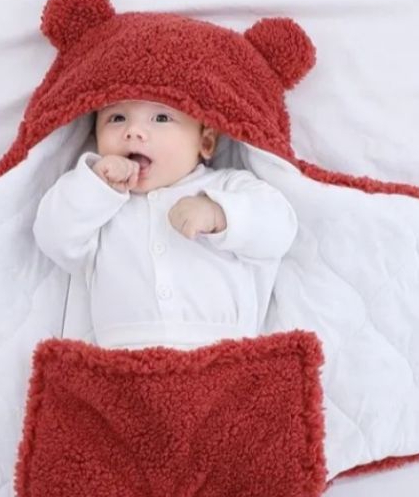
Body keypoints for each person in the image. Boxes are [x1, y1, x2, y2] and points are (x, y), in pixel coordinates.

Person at [32, 99, 298, 350]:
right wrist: (95, 184)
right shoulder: (101, 205)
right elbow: (53, 236)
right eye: (117, 118)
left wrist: (219, 214)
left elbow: (280, 228)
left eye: (161, 118)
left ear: (205, 142)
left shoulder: (228, 186)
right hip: (121, 358)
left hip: (223, 352)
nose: (133, 131)